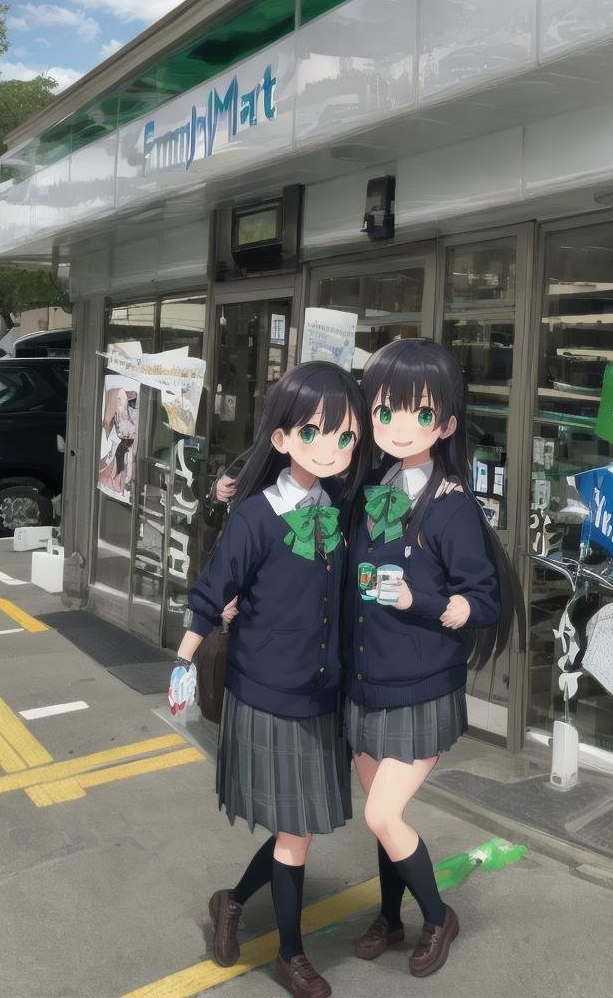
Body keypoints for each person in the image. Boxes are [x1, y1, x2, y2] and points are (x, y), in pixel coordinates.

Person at [168, 362, 369, 998]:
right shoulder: (256, 516)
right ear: (280, 440)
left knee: (296, 827)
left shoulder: (336, 508)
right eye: (317, 431)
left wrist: (441, 489)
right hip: (266, 690)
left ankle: (231, 901)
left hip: (319, 692)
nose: (334, 446)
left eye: (345, 433)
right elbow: (213, 589)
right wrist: (183, 660)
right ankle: (290, 954)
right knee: (295, 831)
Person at [344, 337, 521, 978]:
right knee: (383, 823)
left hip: (421, 686)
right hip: (367, 680)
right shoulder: (371, 489)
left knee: (382, 812)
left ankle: (436, 917)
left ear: (444, 425)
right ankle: (390, 918)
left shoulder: (452, 507)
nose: (396, 428)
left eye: (417, 415)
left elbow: (483, 602)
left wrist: (420, 601)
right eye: (384, 411)